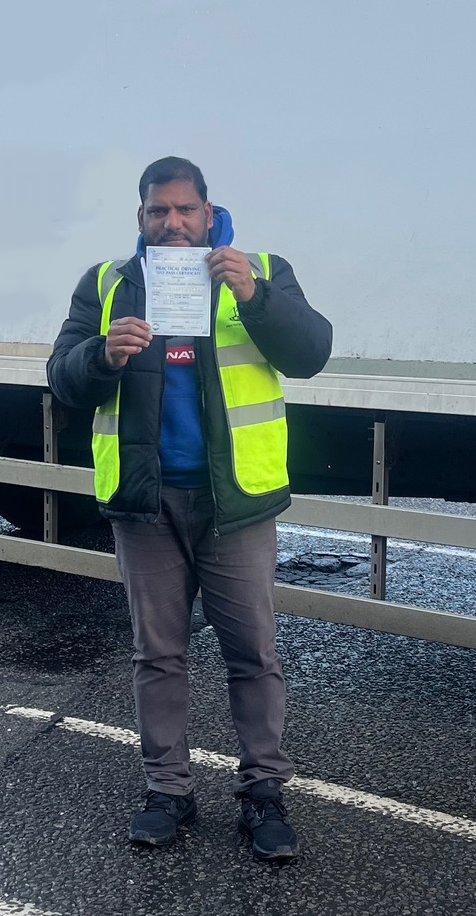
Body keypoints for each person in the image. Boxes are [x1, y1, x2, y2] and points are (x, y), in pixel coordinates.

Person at [47, 156, 332, 861]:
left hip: (233, 503)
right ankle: (167, 790)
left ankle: (264, 790)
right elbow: (61, 376)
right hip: (146, 504)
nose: (171, 223)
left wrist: (258, 294)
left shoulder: (258, 269)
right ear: (141, 218)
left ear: (209, 213)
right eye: (156, 212)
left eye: (183, 210)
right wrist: (99, 357)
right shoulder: (110, 284)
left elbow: (312, 352)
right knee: (157, 655)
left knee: (252, 654)